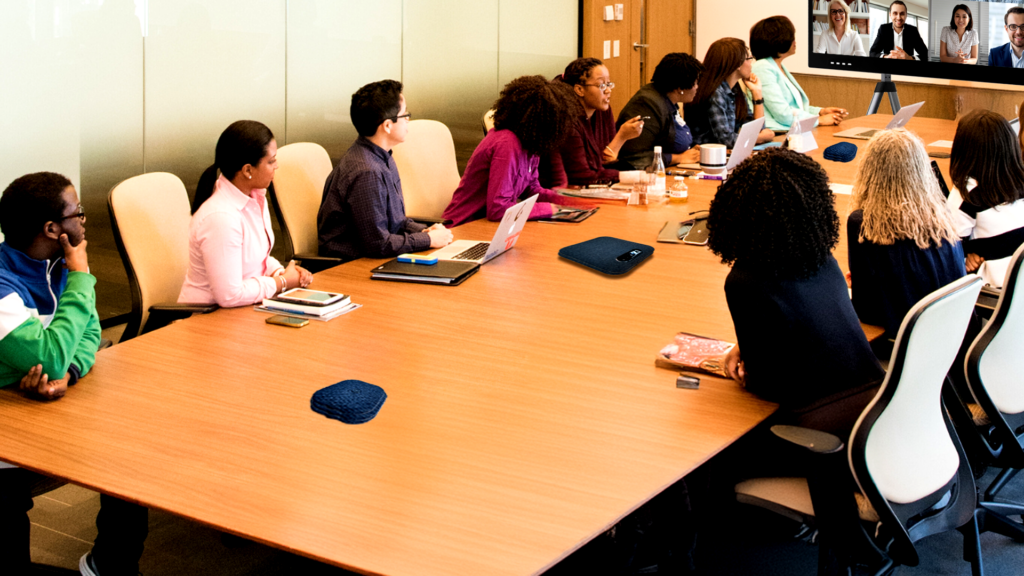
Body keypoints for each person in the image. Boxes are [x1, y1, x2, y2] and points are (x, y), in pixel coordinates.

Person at [0, 172, 149, 576]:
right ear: (52, 228)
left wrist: (67, 368)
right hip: (7, 422)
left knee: (132, 453)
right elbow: (48, 354)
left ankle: (107, 566)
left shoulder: (55, 264)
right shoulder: (3, 284)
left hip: (45, 405)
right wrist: (81, 275)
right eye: (77, 213)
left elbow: (91, 332)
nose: (84, 222)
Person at [707, 148, 884, 433]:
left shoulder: (744, 282)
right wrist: (747, 347)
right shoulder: (823, 260)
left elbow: (765, 384)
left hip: (820, 433)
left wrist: (747, 371)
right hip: (879, 413)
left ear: (735, 214)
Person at [179, 120, 313, 307]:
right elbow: (229, 296)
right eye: (271, 161)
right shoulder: (221, 218)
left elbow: (255, 259)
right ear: (248, 170)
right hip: (204, 320)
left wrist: (280, 272)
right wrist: (282, 283)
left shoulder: (255, 197)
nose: (277, 166)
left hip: (241, 312)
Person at [848, 130, 966, 338]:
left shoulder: (864, 222)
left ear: (869, 173)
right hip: (954, 337)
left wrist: (860, 283)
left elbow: (865, 311)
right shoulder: (941, 213)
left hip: (902, 346)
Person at [318, 80, 453, 260]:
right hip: (350, 266)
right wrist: (427, 240)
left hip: (374, 257)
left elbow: (396, 222)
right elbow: (378, 245)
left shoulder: (382, 155)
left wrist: (425, 230)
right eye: (404, 114)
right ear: (387, 125)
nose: (408, 120)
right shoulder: (367, 172)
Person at [443, 76, 581, 226]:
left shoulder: (531, 144)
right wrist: (547, 209)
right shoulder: (507, 143)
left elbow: (531, 189)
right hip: (465, 226)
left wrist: (566, 200)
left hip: (490, 226)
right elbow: (498, 210)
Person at [947, 109, 1024, 288]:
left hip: (996, 294)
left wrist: (965, 256)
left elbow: (949, 248)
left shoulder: (967, 193)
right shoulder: (1019, 179)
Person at [539, 58, 644, 188]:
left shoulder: (602, 109)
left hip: (592, 184)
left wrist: (622, 137)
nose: (608, 90)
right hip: (565, 190)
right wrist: (637, 177)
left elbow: (607, 159)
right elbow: (580, 175)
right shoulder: (566, 119)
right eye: (601, 85)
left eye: (609, 84)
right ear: (579, 89)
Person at [750, 16, 847, 131]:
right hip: (776, 134)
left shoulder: (776, 66)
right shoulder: (762, 67)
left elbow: (793, 108)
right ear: (779, 40)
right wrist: (818, 120)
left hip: (791, 131)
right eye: (791, 37)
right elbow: (782, 113)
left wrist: (820, 112)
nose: (795, 42)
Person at [615, 53, 705, 170]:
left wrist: (691, 151)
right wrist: (679, 158)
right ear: (680, 88)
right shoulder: (647, 105)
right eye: (696, 82)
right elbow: (634, 158)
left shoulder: (667, 100)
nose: (698, 87)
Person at [686, 38, 774, 149]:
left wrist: (757, 93)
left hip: (724, 154)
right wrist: (760, 138)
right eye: (749, 59)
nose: (751, 63)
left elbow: (757, 128)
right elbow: (726, 140)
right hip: (706, 157)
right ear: (737, 63)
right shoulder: (715, 93)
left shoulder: (734, 89)